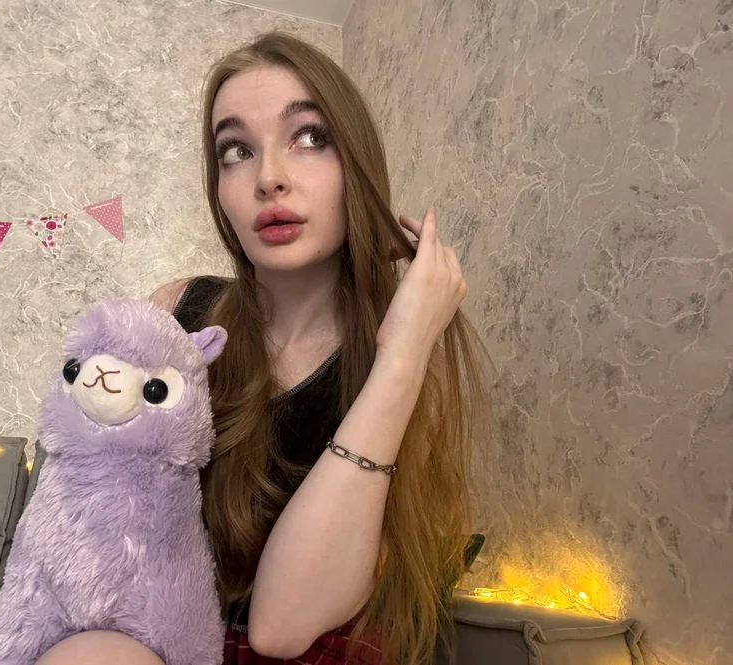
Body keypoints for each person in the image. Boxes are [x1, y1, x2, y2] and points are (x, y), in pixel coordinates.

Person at [36, 31, 490, 665]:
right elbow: (96, 532)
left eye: (310, 137)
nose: (269, 178)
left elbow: (282, 629)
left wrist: (404, 352)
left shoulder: (415, 352)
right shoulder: (178, 318)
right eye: (236, 151)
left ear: (355, 162)